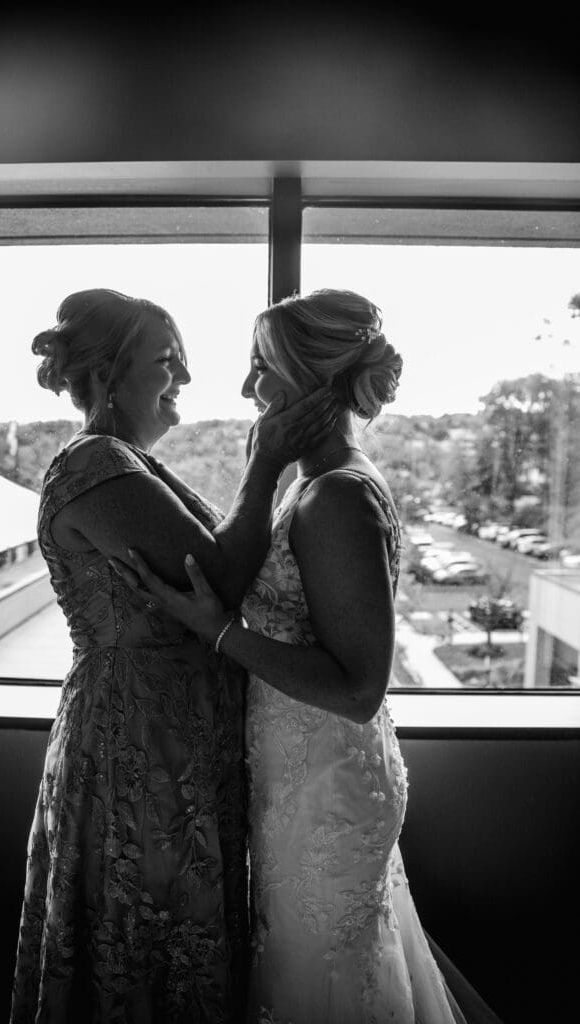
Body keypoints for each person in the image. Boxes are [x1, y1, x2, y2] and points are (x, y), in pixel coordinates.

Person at [111, 289, 503, 1024]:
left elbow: (358, 686)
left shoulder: (336, 499)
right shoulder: (311, 483)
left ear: (309, 379)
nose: (244, 388)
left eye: (260, 368)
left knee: (322, 978)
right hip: (304, 768)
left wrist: (217, 631)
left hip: (324, 782)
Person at [9, 288, 337, 1024]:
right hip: (139, 748)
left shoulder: (126, 462)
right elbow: (216, 580)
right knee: (144, 943)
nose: (185, 378)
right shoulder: (95, 465)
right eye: (166, 361)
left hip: (178, 741)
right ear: (101, 374)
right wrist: (265, 464)